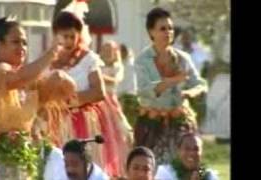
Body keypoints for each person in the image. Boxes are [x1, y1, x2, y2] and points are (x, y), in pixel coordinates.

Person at [0, 16, 65, 179]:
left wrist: (60, 78)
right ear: (0, 45)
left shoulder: (26, 81)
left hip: (21, 167)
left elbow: (47, 95)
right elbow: (19, 78)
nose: (22, 47)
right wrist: (50, 54)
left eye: (25, 42)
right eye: (16, 42)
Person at [40, 10, 124, 176]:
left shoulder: (88, 59)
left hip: (83, 122)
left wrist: (68, 103)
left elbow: (98, 92)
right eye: (65, 36)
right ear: (56, 35)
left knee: (87, 168)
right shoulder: (47, 60)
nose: (69, 41)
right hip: (55, 124)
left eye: (73, 36)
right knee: (59, 170)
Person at [134, 7, 207, 165]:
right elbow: (145, 91)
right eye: (162, 29)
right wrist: (173, 80)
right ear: (151, 32)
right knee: (152, 167)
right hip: (152, 124)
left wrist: (189, 92)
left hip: (180, 122)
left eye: (170, 28)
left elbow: (200, 84)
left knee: (184, 166)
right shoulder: (142, 60)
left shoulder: (183, 57)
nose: (168, 32)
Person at [100, 40, 133, 175]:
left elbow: (116, 80)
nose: (108, 53)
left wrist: (99, 77)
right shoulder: (97, 64)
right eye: (105, 50)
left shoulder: (117, 67)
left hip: (110, 102)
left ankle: (119, 164)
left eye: (110, 51)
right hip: (98, 101)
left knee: (120, 130)